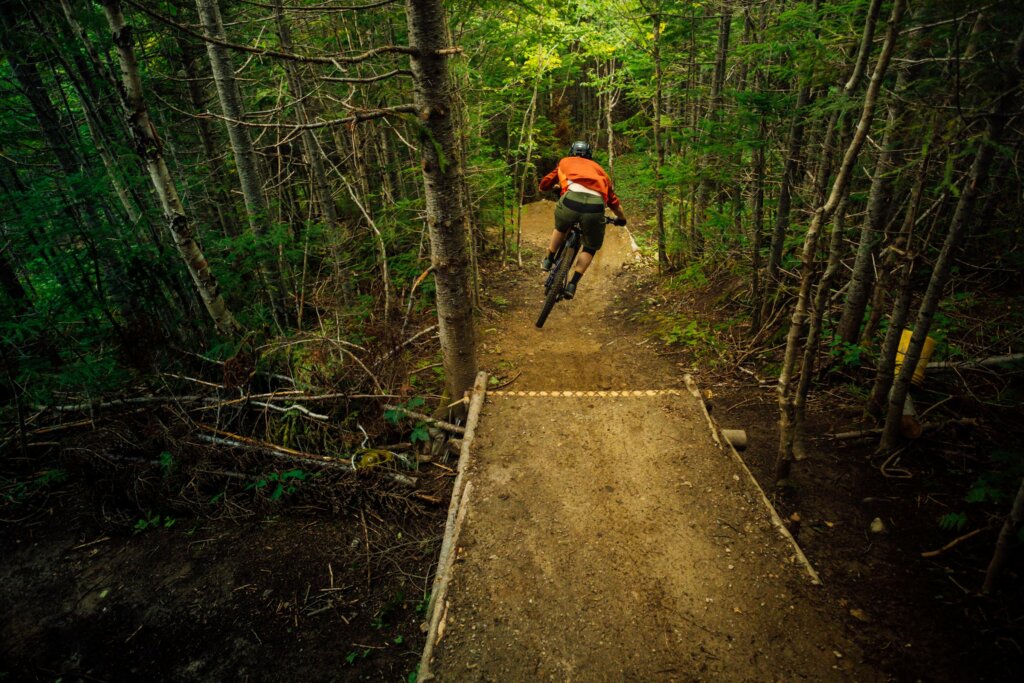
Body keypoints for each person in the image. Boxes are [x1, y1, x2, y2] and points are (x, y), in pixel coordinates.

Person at [537, 141, 627, 299]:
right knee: (590, 247)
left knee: (561, 227)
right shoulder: (601, 172)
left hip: (570, 202)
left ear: (571, 152)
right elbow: (614, 203)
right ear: (590, 155)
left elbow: (544, 184)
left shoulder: (565, 162)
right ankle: (572, 284)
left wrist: (548, 188)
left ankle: (549, 260)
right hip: (594, 209)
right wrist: (621, 219)